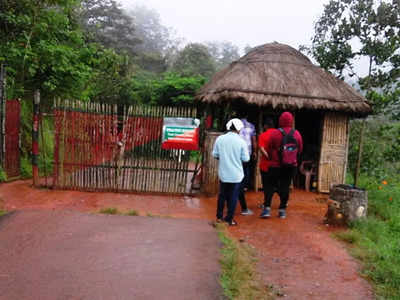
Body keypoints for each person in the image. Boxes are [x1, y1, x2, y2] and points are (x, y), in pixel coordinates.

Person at [260, 112, 303, 219]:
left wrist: (273, 157)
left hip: (274, 165)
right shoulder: (297, 134)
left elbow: (269, 148)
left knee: (269, 186)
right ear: (291, 121)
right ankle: (282, 210)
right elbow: (300, 150)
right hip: (290, 166)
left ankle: (267, 209)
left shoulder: (275, 133)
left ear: (280, 121)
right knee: (285, 187)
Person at [212, 118, 250, 226]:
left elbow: (215, 154)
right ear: (238, 129)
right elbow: (246, 159)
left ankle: (219, 217)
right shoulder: (241, 142)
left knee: (222, 195)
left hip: (223, 173)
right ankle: (229, 219)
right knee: (233, 196)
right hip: (236, 175)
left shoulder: (220, 139)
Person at [238, 114, 257, 215]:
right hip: (247, 152)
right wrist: (254, 151)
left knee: (238, 170)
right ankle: (244, 186)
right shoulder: (251, 126)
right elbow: (253, 140)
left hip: (237, 153)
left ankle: (239, 186)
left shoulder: (237, 125)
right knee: (246, 170)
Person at [258, 118, 275, 208]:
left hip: (265, 165)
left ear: (265, 126)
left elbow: (262, 149)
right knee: (276, 184)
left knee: (266, 185)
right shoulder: (279, 134)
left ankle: (266, 203)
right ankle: (284, 202)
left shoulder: (263, 135)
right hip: (277, 165)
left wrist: (268, 156)